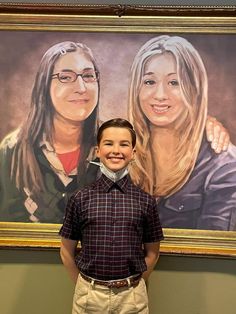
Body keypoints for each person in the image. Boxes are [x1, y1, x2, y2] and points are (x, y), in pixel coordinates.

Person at [128, 35, 236, 231]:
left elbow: (213, 248)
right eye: (149, 82)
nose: (160, 95)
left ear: (194, 90)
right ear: (136, 89)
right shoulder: (118, 153)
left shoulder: (224, 167)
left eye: (174, 83)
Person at [59, 118, 164, 314]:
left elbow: (152, 253)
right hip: (89, 296)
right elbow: (66, 251)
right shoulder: (80, 198)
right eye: (108, 143)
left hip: (132, 298)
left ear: (133, 153)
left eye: (124, 144)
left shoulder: (146, 201)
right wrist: (84, 287)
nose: (116, 150)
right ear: (98, 150)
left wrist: (134, 286)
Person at [0, 41, 100, 223]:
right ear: (44, 85)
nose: (81, 87)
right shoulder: (12, 149)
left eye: (88, 76)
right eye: (65, 77)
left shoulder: (115, 146)